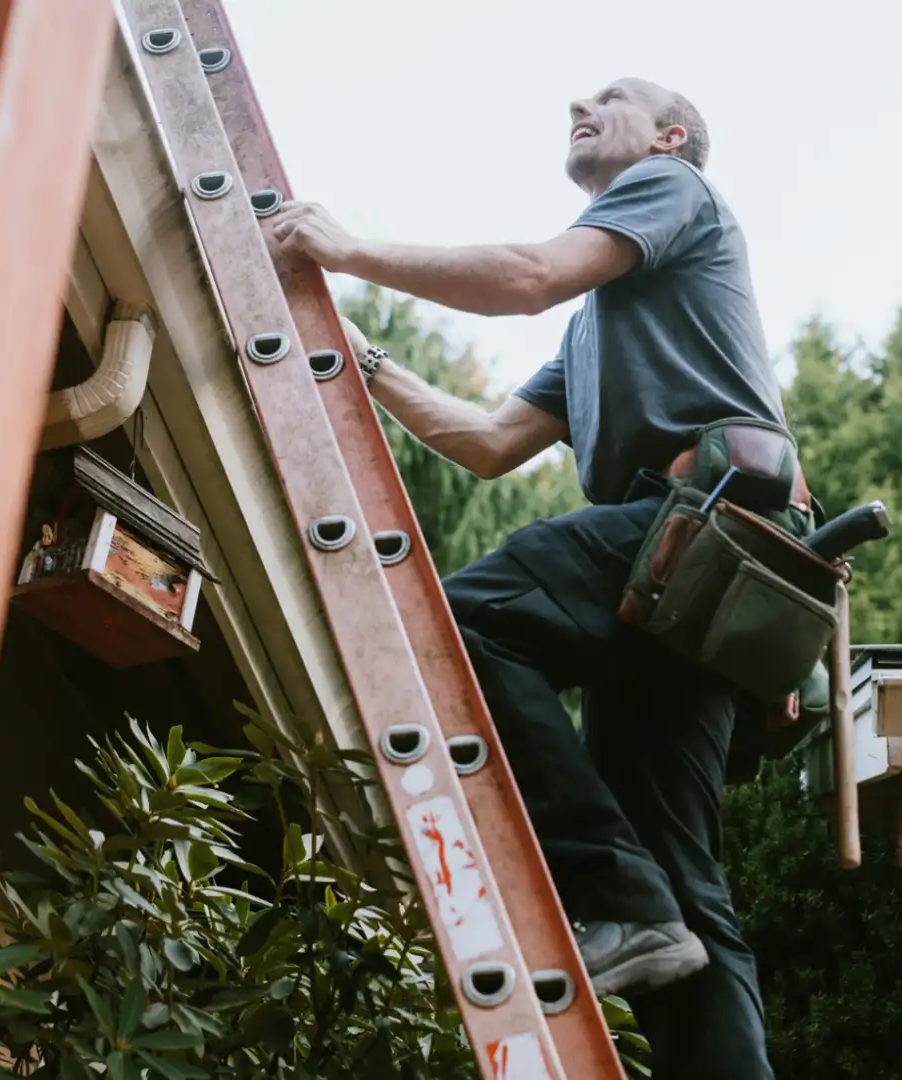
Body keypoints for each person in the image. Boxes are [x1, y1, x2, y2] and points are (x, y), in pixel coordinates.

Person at [272, 77, 786, 1080]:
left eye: (610, 98)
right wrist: (351, 355)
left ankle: (615, 896)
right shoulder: (602, 324)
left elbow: (524, 273)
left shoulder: (670, 186)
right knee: (686, 889)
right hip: (703, 582)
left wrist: (347, 250)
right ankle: (653, 928)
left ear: (670, 135)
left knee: (459, 623)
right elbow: (489, 440)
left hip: (701, 535)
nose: (578, 107)